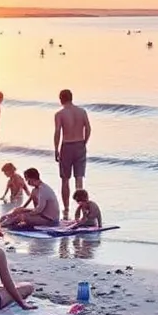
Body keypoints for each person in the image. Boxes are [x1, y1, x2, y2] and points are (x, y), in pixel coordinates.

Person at [53, 89, 91, 219]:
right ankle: (81, 208)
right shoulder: (82, 111)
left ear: (61, 99)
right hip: (80, 144)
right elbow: (88, 128)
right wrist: (84, 142)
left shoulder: (60, 114)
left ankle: (67, 208)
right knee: (79, 179)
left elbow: (58, 131)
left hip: (67, 146)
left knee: (65, 179)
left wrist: (56, 149)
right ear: (71, 98)